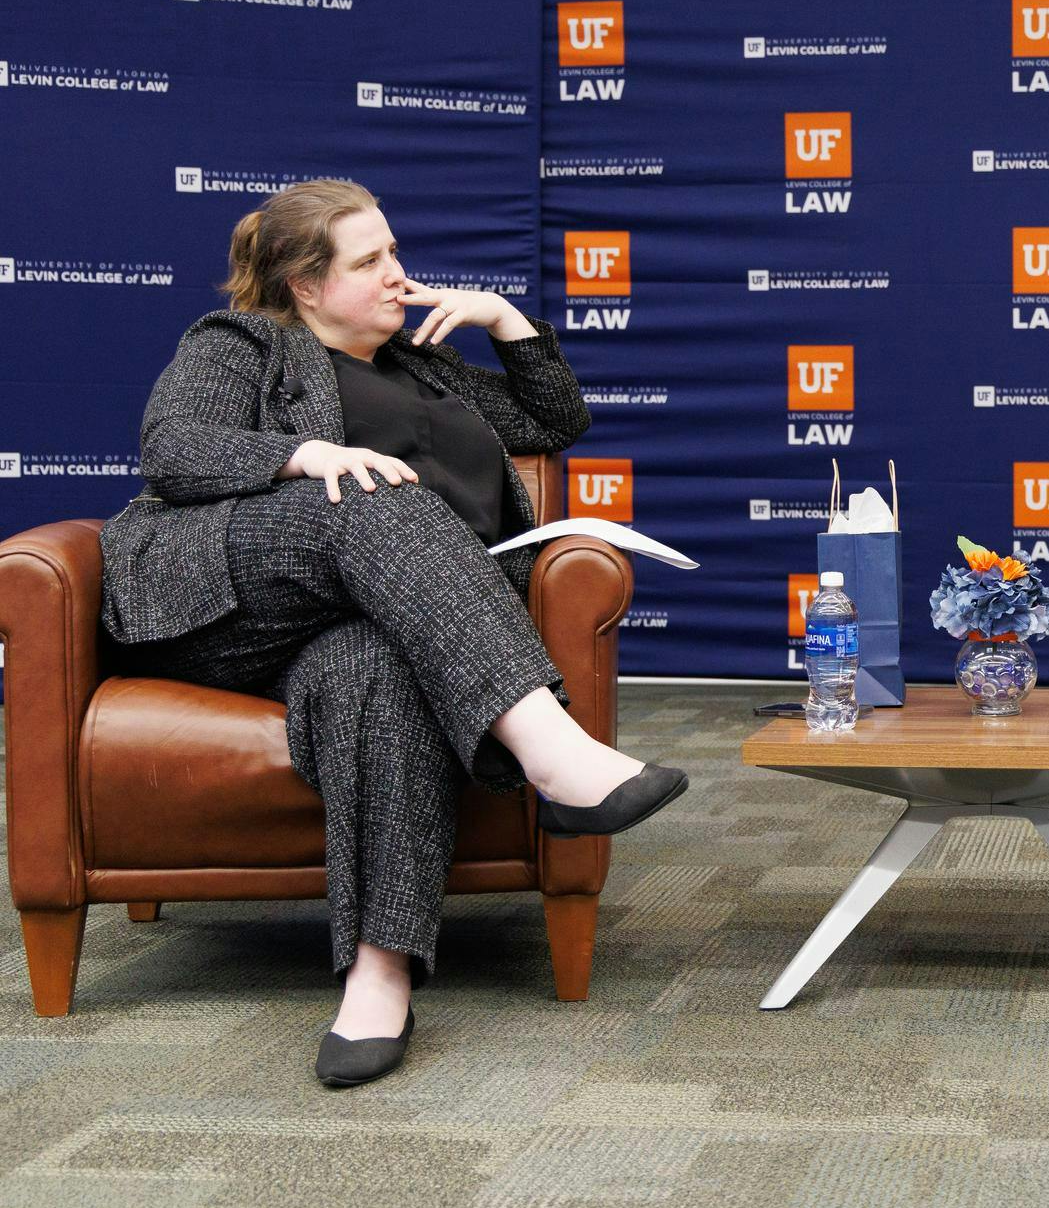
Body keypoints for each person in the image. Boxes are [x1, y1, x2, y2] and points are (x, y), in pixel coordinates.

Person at [99, 179, 688, 1088]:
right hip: (231, 598)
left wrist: (502, 317)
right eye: (369, 260)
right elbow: (174, 447)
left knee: (374, 672)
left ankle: (380, 973)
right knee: (373, 491)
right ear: (305, 285)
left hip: (368, 620)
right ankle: (551, 750)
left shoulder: (424, 365)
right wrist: (307, 454)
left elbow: (555, 419)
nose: (396, 274)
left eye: (394, 252)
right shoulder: (245, 343)